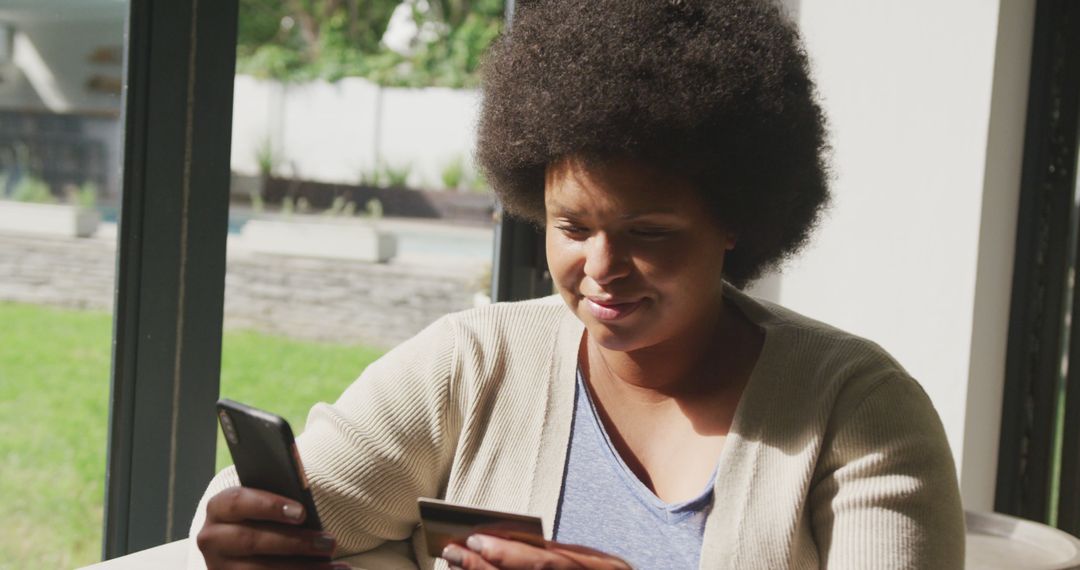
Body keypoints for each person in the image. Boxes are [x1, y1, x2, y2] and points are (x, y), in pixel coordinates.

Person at [190, 0, 965, 568]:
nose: (600, 269)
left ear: (736, 221)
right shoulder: (474, 363)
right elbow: (287, 501)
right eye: (571, 228)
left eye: (648, 234)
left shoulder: (857, 412)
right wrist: (233, 529)